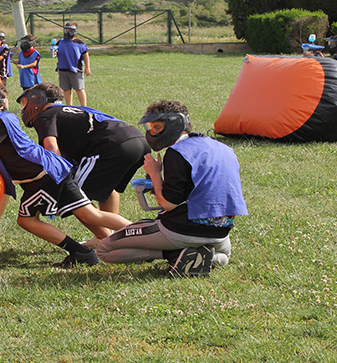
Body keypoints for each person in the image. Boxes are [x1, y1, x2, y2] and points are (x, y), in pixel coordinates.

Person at [0, 80, 132, 268]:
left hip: (43, 177)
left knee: (27, 220)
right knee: (90, 215)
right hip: (51, 170)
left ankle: (81, 251)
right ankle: (140, 234)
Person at [95, 100, 248, 277]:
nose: (152, 133)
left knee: (104, 250)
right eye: (151, 128)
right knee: (223, 257)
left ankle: (174, 255)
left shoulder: (177, 152)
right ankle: (196, 255)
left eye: (157, 128)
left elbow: (169, 204)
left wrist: (155, 174)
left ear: (175, 124)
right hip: (221, 230)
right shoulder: (223, 148)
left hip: (182, 229)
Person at [17, 82, 149, 243]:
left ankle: (111, 238)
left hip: (111, 145)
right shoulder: (71, 110)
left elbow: (51, 146)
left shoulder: (45, 115)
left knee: (74, 198)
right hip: (137, 141)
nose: (24, 108)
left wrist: (58, 177)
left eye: (25, 102)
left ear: (37, 100)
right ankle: (110, 235)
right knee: (108, 188)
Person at [55, 23, 91, 106]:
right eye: (67, 30)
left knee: (79, 88)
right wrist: (54, 52)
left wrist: (87, 67)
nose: (68, 32)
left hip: (75, 69)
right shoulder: (61, 41)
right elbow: (56, 51)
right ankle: (69, 106)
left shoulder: (80, 43)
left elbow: (86, 55)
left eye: (70, 30)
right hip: (63, 69)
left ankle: (84, 106)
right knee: (66, 89)